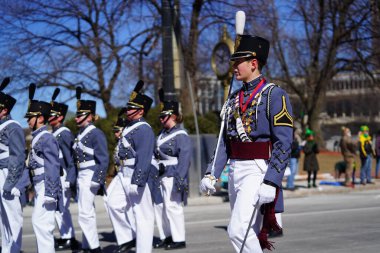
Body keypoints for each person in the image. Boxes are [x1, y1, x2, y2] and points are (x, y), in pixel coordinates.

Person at [199, 34, 293, 253]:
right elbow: (225, 141)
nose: (234, 67)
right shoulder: (233, 99)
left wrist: (272, 180)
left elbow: (284, 142)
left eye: (238, 61)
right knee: (247, 231)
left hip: (258, 169)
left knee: (237, 231)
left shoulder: (274, 95)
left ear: (253, 63)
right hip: (235, 169)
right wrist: (211, 173)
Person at [120, 80, 158, 253]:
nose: (127, 110)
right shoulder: (131, 127)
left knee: (143, 216)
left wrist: (138, 181)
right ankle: (129, 240)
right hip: (126, 172)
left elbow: (144, 156)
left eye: (131, 108)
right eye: (127, 107)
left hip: (137, 175)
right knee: (116, 205)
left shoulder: (143, 129)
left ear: (141, 110)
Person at [25, 83, 62, 253]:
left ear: (40, 118)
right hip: (40, 185)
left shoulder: (47, 138)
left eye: (30, 117)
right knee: (39, 223)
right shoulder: (38, 137)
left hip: (47, 186)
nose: (27, 120)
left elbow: (53, 166)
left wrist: (50, 192)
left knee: (42, 225)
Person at [153, 88, 192, 250]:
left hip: (173, 173)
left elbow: (184, 160)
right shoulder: (161, 134)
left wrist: (180, 179)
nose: (161, 119)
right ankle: (167, 236)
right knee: (161, 208)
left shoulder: (181, 135)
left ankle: (179, 238)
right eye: (160, 116)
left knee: (173, 207)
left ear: (173, 116)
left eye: (164, 116)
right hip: (161, 174)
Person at [73, 87, 109, 253]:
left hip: (90, 175)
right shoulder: (80, 134)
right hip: (82, 175)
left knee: (85, 214)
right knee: (87, 212)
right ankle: (88, 245)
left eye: (80, 115)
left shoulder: (95, 133)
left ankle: (94, 248)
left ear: (89, 116)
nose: (76, 117)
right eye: (77, 114)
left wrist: (98, 179)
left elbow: (103, 159)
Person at [0, 77, 29, 253]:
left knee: (13, 216)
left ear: (3, 109)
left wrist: (11, 183)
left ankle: (15, 249)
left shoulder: (13, 126)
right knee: (4, 219)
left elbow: (18, 157)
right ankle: (6, 248)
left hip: (6, 173)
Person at [48, 88, 79, 251]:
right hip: (55, 175)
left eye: (52, 115)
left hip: (64, 175)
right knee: (58, 208)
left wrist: (69, 178)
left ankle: (69, 237)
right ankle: (65, 236)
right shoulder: (53, 133)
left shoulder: (64, 133)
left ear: (59, 116)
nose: (48, 118)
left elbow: (71, 159)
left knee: (62, 208)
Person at [104, 113, 137, 253]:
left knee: (133, 208)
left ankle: (132, 236)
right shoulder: (120, 143)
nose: (116, 134)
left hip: (131, 174)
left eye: (118, 130)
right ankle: (127, 236)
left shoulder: (131, 140)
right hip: (121, 175)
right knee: (110, 202)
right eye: (115, 131)